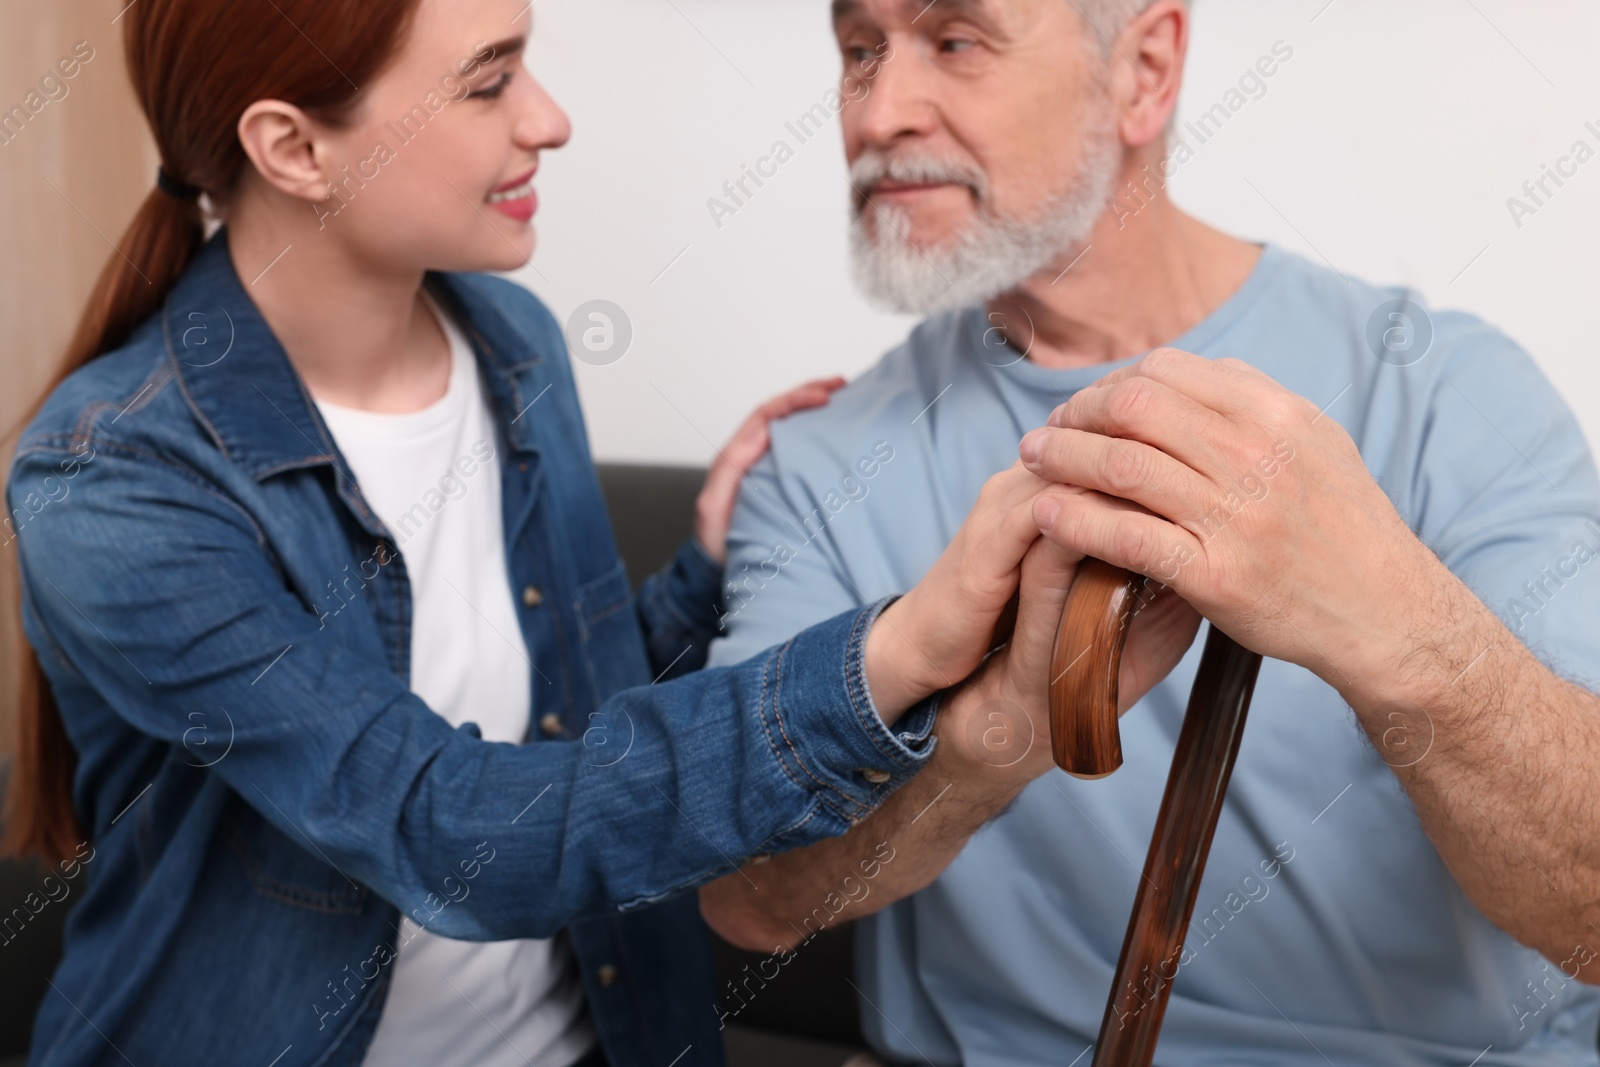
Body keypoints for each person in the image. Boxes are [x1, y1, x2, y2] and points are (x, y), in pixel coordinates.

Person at [1, 0, 1191, 1063]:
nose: (550, 119)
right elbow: (449, 823)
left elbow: (560, 719)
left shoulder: (512, 345)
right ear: (295, 148)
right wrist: (895, 653)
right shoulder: (110, 481)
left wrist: (701, 574)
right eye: (489, 80)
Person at [699, 1, 1600, 1064]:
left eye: (954, 39)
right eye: (859, 51)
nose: (879, 110)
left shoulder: (1446, 389)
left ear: (1143, 68)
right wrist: (996, 734)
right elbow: (748, 897)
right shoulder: (815, 467)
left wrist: (1395, 626)